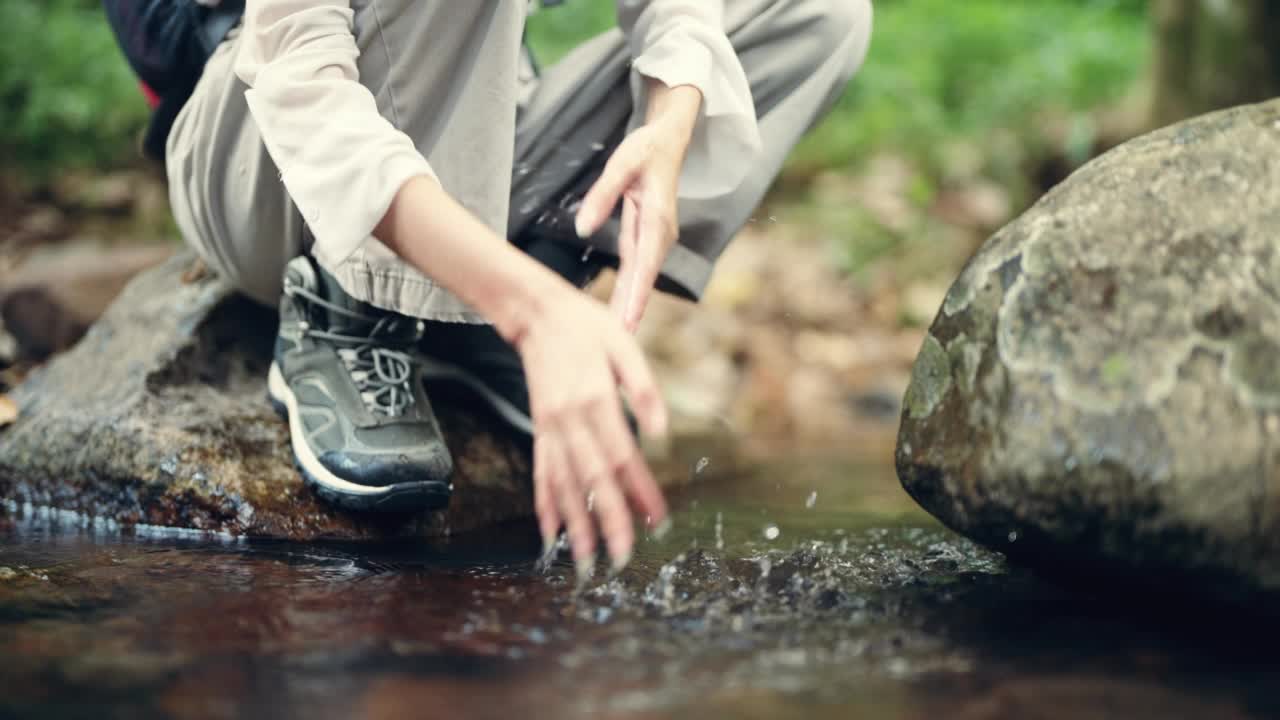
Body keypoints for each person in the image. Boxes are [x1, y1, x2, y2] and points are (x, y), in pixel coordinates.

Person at [162, 0, 871, 580]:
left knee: (819, 12)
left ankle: (469, 307)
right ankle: (350, 312)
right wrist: (532, 312)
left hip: (467, 135)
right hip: (264, 161)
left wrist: (668, 126)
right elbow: (300, 83)